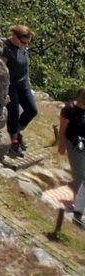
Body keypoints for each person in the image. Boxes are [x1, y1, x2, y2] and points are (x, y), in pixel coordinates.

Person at [6, 25, 38, 156]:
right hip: (10, 84)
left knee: (32, 110)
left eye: (27, 43)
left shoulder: (23, 47)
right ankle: (13, 140)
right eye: (23, 42)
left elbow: (25, 66)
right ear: (15, 36)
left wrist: (28, 81)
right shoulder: (6, 48)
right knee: (13, 110)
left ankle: (16, 131)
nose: (24, 45)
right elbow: (2, 68)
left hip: (23, 83)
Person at [61, 87, 85, 231]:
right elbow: (63, 129)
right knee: (80, 176)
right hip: (73, 144)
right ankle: (77, 206)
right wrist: (61, 146)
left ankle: (78, 203)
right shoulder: (69, 109)